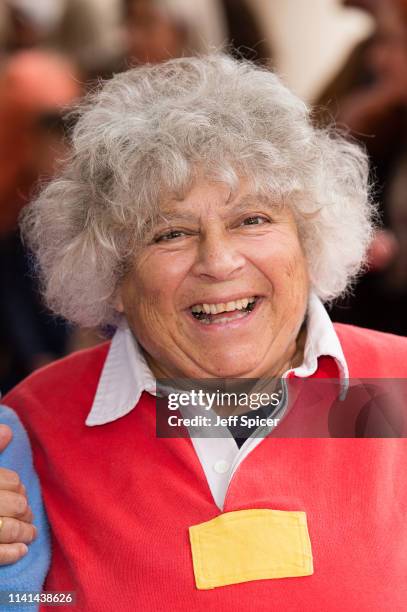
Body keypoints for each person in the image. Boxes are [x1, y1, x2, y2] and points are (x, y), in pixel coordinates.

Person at [1, 55, 407, 610]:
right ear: (114, 274)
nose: (218, 261)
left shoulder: (398, 386)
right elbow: (28, 604)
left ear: (308, 239)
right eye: (170, 233)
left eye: (253, 220)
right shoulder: (36, 428)